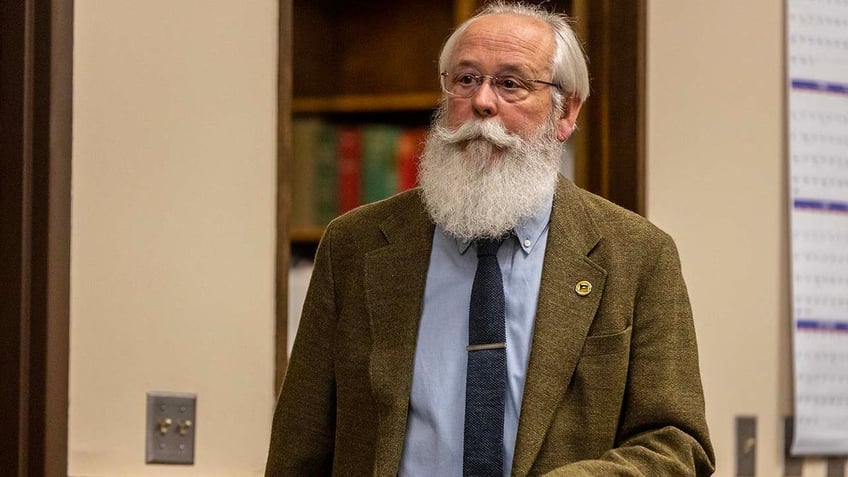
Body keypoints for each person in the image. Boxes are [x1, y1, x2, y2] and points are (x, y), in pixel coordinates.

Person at [265, 1, 715, 475]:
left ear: (567, 111)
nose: (482, 102)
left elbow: (677, 444)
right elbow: (300, 447)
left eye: (510, 83)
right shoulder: (356, 245)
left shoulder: (637, 254)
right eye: (466, 79)